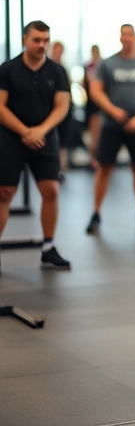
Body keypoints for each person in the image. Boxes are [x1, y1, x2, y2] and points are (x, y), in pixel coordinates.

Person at [0, 21, 72, 271]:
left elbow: (62, 105)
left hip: (45, 137)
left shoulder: (57, 71)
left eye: (45, 40)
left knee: (51, 190)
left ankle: (48, 248)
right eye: (36, 40)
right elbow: (0, 106)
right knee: (4, 193)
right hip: (10, 137)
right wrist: (25, 132)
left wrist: (40, 131)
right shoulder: (8, 69)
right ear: (25, 40)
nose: (42, 45)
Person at [86, 24, 135, 235]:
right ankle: (96, 213)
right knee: (104, 168)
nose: (127, 38)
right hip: (112, 126)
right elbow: (96, 90)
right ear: (120, 38)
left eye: (130, 34)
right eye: (124, 35)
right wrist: (112, 110)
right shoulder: (108, 64)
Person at [49, 40, 73, 177]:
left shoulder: (63, 69)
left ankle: (61, 169)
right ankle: (53, 169)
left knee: (63, 142)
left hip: (65, 113)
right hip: (50, 112)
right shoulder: (48, 68)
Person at [83, 44, 103, 165]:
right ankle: (94, 157)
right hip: (93, 104)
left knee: (99, 133)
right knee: (94, 133)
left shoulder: (101, 65)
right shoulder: (90, 66)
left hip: (99, 104)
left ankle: (97, 157)